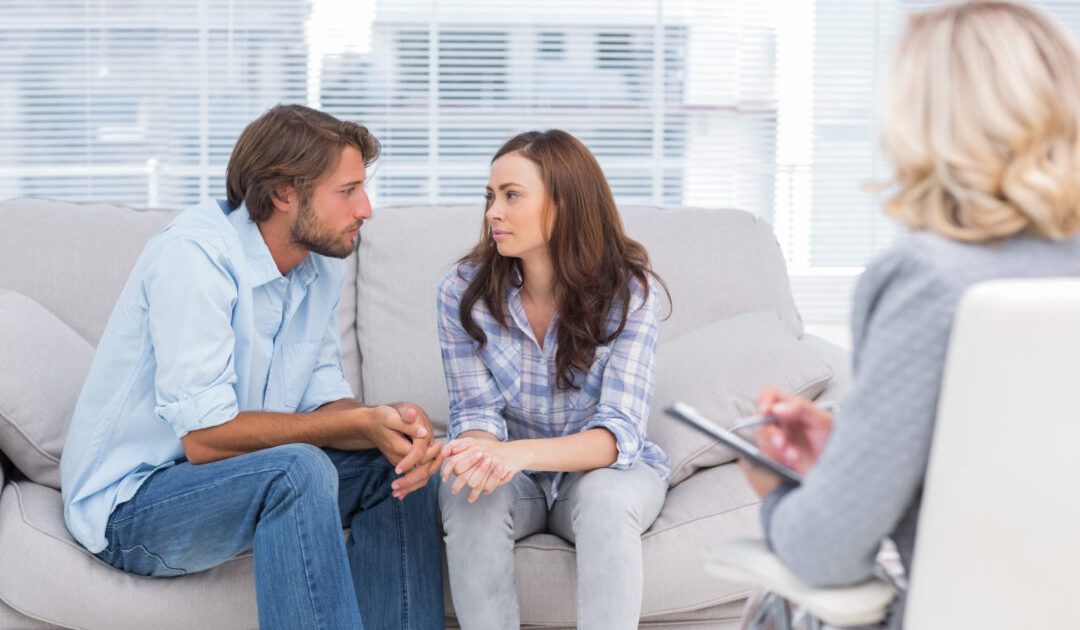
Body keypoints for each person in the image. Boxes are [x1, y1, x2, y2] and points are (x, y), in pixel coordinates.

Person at [737, 3, 1080, 628]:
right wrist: (855, 449)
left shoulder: (928, 279)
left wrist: (779, 492)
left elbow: (828, 553)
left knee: (776, 601)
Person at [60, 104, 446, 630]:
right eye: (348, 190)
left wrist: (387, 422)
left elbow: (324, 402)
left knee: (393, 467)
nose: (366, 209)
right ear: (285, 193)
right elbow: (205, 438)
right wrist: (352, 424)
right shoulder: (195, 257)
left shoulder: (317, 267)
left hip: (229, 482)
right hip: (134, 507)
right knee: (298, 467)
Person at [436, 129, 671, 629]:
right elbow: (474, 412)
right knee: (466, 491)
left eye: (511, 196)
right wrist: (479, 455)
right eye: (490, 196)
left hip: (597, 474)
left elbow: (617, 434)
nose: (492, 212)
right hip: (513, 480)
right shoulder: (462, 292)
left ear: (564, 203)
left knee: (608, 501)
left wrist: (516, 454)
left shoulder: (629, 294)